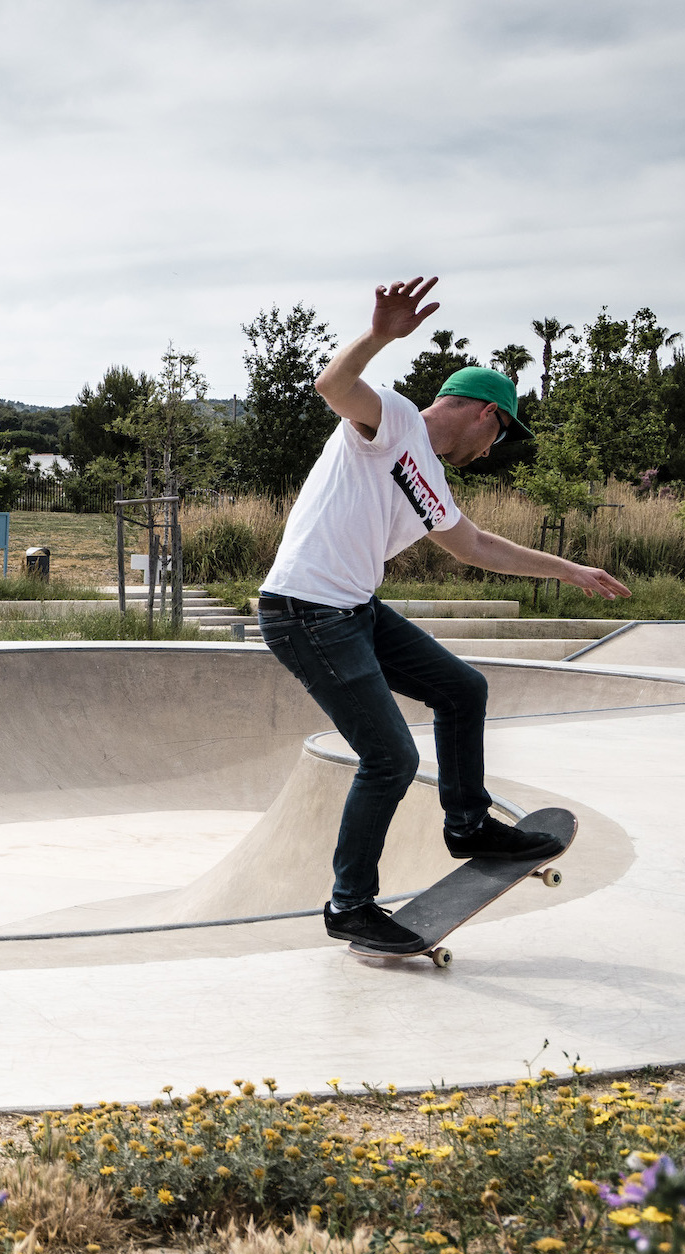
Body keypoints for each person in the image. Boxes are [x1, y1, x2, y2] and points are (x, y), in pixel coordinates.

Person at [256, 276, 631, 954]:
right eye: (495, 443)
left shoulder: (427, 471)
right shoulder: (392, 419)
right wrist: (378, 336)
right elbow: (332, 386)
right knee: (390, 756)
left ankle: (467, 824)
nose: (488, 457)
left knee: (463, 688)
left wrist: (568, 568)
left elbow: (475, 544)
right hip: (305, 609)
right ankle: (350, 904)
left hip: (353, 608)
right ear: (489, 415)